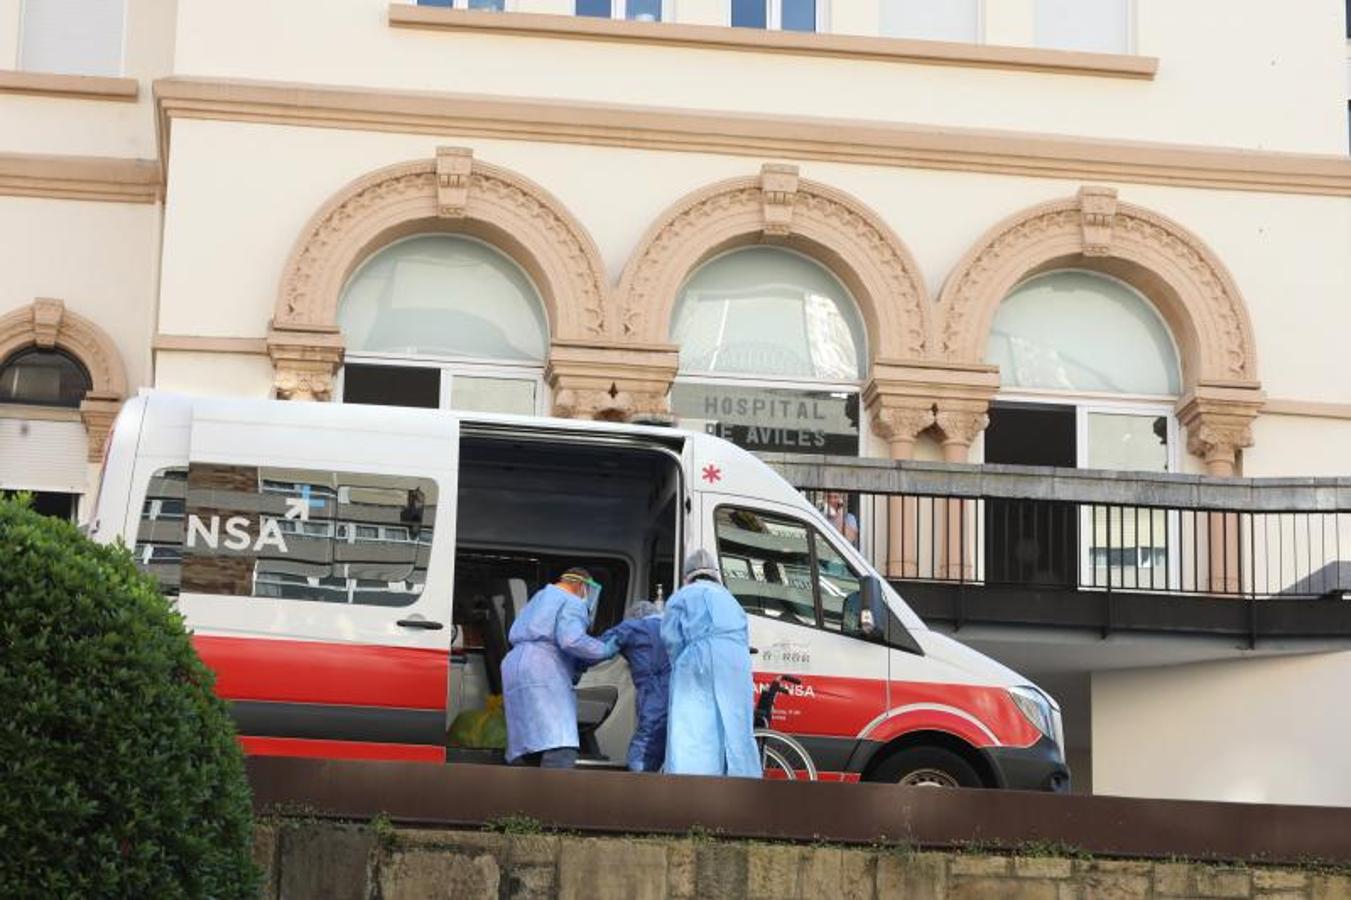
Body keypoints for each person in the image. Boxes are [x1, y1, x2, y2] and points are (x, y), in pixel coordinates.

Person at [501, 568, 617, 769]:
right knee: (559, 743)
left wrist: (579, 662)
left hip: (515, 666)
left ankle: (524, 797)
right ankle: (554, 797)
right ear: (582, 586)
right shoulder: (572, 601)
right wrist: (604, 649)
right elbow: (571, 640)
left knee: (529, 744)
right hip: (544, 669)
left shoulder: (539, 599)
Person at [662, 550, 761, 778]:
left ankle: (692, 790)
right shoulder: (730, 599)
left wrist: (678, 665)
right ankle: (743, 787)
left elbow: (671, 639)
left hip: (697, 660)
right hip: (735, 663)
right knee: (737, 727)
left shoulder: (682, 596)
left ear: (688, 575)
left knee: (694, 727)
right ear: (714, 574)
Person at [600, 600, 670, 772]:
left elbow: (598, 650)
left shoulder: (633, 628)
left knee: (644, 750)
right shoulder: (673, 627)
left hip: (656, 695)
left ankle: (638, 793)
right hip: (683, 696)